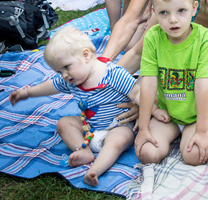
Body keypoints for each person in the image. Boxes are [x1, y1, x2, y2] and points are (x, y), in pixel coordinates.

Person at [9, 26, 141, 187]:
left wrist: (152, 111)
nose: (64, 75)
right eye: (59, 72)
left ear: (86, 55)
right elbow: (50, 86)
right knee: (64, 123)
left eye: (66, 67)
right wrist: (27, 93)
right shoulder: (71, 80)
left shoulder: (113, 74)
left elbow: (138, 93)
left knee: (120, 139)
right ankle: (83, 151)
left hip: (118, 124)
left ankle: (95, 170)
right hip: (90, 128)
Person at [135, 0, 208, 166]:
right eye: (164, 12)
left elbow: (202, 86)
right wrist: (143, 129)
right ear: (154, 11)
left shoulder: (204, 38)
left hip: (199, 116)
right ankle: (173, 134)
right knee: (147, 153)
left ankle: (196, 132)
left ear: (194, 8)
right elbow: (148, 84)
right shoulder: (152, 37)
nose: (172, 20)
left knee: (194, 156)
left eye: (180, 11)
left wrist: (202, 131)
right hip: (169, 113)